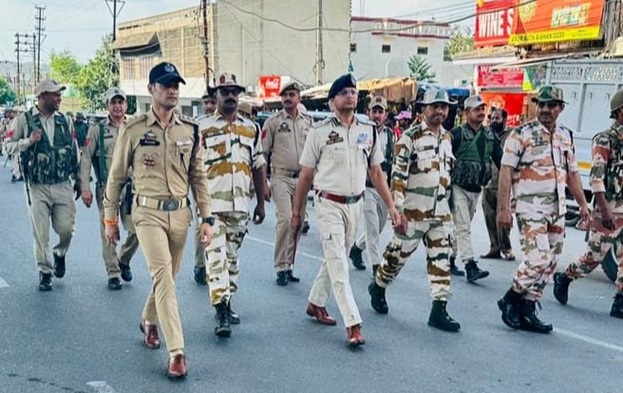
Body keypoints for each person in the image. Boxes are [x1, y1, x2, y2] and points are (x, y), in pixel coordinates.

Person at [104, 62, 213, 378]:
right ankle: (177, 351)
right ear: (151, 89)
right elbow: (116, 177)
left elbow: (199, 176)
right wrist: (110, 219)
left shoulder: (190, 130)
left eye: (176, 84)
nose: (173, 90)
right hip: (147, 213)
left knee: (169, 276)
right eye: (166, 85)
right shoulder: (135, 129)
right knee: (163, 275)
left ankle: (149, 319)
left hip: (180, 214)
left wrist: (207, 217)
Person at [291, 74, 400, 347]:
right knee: (340, 264)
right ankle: (353, 323)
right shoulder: (319, 132)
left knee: (334, 258)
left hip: (356, 205)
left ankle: (316, 302)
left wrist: (391, 206)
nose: (350, 96)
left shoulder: (367, 130)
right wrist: (297, 213)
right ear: (332, 101)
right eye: (344, 92)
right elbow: (305, 176)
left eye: (353, 92)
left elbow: (376, 172)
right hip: (328, 205)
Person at [497, 86, 590, 333]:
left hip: (557, 208)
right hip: (530, 208)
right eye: (542, 105)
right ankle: (510, 299)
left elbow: (572, 174)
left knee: (551, 263)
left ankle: (528, 308)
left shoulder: (565, 136)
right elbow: (506, 172)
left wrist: (582, 204)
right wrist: (503, 209)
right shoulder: (521, 134)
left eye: (551, 105)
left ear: (561, 108)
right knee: (537, 259)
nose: (546, 109)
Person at [368, 89, 461, 332]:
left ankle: (439, 308)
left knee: (441, 260)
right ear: (423, 109)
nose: (440, 111)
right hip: (413, 213)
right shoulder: (408, 138)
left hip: (440, 213)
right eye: (435, 106)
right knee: (396, 257)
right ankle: (378, 285)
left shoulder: (448, 139)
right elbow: (398, 178)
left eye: (444, 107)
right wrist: (397, 212)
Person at [198, 72, 267, 337]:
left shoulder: (251, 128)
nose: (230, 96)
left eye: (234, 92)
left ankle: (227, 300)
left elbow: (258, 165)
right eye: (224, 91)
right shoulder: (201, 127)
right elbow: (191, 167)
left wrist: (261, 203)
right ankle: (221, 310)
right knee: (215, 258)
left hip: (240, 206)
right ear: (215, 96)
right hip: (212, 206)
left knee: (231, 259)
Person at [553, 89, 623, 318]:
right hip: (610, 206)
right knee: (596, 255)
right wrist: (602, 209)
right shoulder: (605, 139)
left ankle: (620, 301)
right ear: (620, 111)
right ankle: (565, 277)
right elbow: (596, 177)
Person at [5, 79, 81, 291]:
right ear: (42, 96)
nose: (59, 98)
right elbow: (8, 145)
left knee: (67, 229)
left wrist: (80, 182)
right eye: (55, 94)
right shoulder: (24, 120)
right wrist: (28, 141)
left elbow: (74, 150)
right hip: (37, 186)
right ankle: (45, 270)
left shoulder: (65, 120)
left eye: (59, 94)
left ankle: (60, 253)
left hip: (62, 184)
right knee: (41, 232)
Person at [80, 87, 139, 290]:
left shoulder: (133, 127)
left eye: (120, 102)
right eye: (113, 102)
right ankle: (113, 272)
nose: (117, 106)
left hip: (131, 188)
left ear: (126, 105)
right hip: (107, 188)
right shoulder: (98, 130)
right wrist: (84, 187)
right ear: (107, 106)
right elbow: (86, 157)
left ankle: (124, 259)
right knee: (109, 230)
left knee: (137, 229)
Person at [262, 81, 313, 286]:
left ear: (298, 98)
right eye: (284, 95)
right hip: (280, 177)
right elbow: (263, 153)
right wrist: (264, 183)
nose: (288, 99)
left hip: (302, 178)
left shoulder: (308, 122)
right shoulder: (272, 122)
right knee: (285, 219)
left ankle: (289, 265)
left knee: (298, 223)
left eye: (292, 94)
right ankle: (281, 267)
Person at [448, 95, 503, 281]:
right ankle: (470, 265)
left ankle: (449, 258)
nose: (481, 112)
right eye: (476, 109)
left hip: (476, 189)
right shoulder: (456, 134)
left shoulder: (490, 136)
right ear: (466, 113)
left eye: (482, 108)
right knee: (463, 226)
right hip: (457, 187)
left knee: (462, 225)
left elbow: (501, 161)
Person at [349, 95, 395, 275]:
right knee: (372, 228)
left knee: (380, 226)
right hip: (367, 187)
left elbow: (394, 161)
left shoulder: (391, 135)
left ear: (385, 115)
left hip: (383, 188)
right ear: (368, 113)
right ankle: (377, 267)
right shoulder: (364, 133)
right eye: (374, 111)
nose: (377, 115)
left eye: (380, 112)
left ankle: (357, 249)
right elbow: (365, 162)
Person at [481, 108, 515, 261]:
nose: (494, 121)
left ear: (505, 120)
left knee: (503, 217)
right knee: (489, 216)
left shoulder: (511, 135)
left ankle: (506, 248)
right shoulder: (486, 134)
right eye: (492, 118)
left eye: (497, 118)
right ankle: (494, 247)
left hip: (504, 183)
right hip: (488, 182)